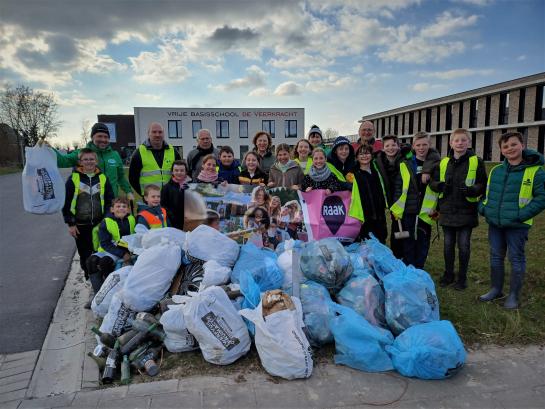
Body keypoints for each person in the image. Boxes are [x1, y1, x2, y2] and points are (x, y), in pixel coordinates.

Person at [478, 132, 545, 309]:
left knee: (516, 259)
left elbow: (541, 198)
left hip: (518, 225)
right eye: (505, 146)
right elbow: (487, 194)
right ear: (501, 150)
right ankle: (496, 289)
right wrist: (483, 208)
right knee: (496, 257)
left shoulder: (536, 171)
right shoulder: (496, 170)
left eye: (514, 144)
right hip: (495, 223)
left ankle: (513, 295)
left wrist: (521, 215)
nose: (510, 149)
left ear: (523, 145)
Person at [427, 128, 487, 290]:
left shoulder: (476, 161)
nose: (460, 143)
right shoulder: (443, 162)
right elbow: (432, 182)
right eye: (456, 140)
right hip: (447, 211)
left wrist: (473, 190)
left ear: (469, 142)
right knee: (448, 246)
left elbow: (483, 183)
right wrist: (439, 186)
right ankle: (448, 275)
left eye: (463, 140)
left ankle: (462, 278)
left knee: (464, 246)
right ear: (451, 143)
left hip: (467, 211)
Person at [62, 148, 114, 280]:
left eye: (91, 159)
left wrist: (106, 219)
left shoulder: (103, 178)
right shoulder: (73, 178)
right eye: (85, 159)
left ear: (96, 161)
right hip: (80, 225)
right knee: (84, 254)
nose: (89, 162)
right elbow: (66, 202)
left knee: (99, 252)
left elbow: (110, 200)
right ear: (80, 162)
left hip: (99, 224)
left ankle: (100, 277)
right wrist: (70, 223)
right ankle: (89, 277)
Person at [55, 122, 132, 198]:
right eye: (99, 136)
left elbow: (120, 176)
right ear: (92, 137)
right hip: (89, 202)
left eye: (106, 137)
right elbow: (62, 161)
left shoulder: (115, 155)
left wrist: (128, 191)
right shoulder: (82, 153)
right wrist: (49, 149)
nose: (103, 139)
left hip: (111, 200)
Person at [375, 135, 419, 262]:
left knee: (408, 234)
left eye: (393, 145)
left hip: (407, 202)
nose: (391, 148)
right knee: (396, 233)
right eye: (387, 146)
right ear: (383, 148)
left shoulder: (406, 158)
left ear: (398, 146)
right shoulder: (379, 162)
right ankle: (397, 259)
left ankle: (409, 261)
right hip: (393, 203)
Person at [87, 197, 135, 294]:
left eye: (124, 206)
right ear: (112, 209)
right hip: (108, 249)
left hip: (124, 249)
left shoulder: (132, 219)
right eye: (118, 206)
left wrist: (126, 252)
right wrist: (122, 254)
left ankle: (110, 291)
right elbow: (105, 243)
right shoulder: (106, 222)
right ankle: (98, 293)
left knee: (104, 262)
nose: (121, 208)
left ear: (128, 210)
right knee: (91, 261)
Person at [411, 132, 441, 268]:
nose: (421, 148)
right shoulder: (408, 162)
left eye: (424, 145)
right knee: (410, 239)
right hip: (411, 207)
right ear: (413, 146)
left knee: (423, 239)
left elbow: (440, 187)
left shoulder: (436, 164)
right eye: (418, 145)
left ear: (430, 145)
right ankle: (409, 265)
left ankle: (420, 266)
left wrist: (438, 209)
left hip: (427, 209)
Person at [349, 144, 388, 243]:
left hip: (380, 214)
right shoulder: (354, 175)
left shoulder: (377, 171)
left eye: (367, 153)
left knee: (381, 240)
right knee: (367, 244)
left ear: (371, 155)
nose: (364, 156)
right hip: (365, 216)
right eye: (361, 154)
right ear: (357, 157)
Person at [129, 122, 181, 196]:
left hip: (170, 196)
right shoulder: (139, 152)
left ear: (164, 134)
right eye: (154, 132)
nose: (157, 135)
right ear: (148, 134)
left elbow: (181, 174)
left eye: (160, 132)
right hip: (150, 199)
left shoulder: (173, 151)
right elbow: (132, 178)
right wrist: (144, 195)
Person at [161, 160, 189, 231]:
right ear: (172, 172)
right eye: (176, 170)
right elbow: (163, 206)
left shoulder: (191, 187)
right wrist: (171, 217)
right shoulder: (166, 188)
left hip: (189, 223)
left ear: (186, 172)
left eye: (182, 170)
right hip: (173, 224)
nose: (179, 173)